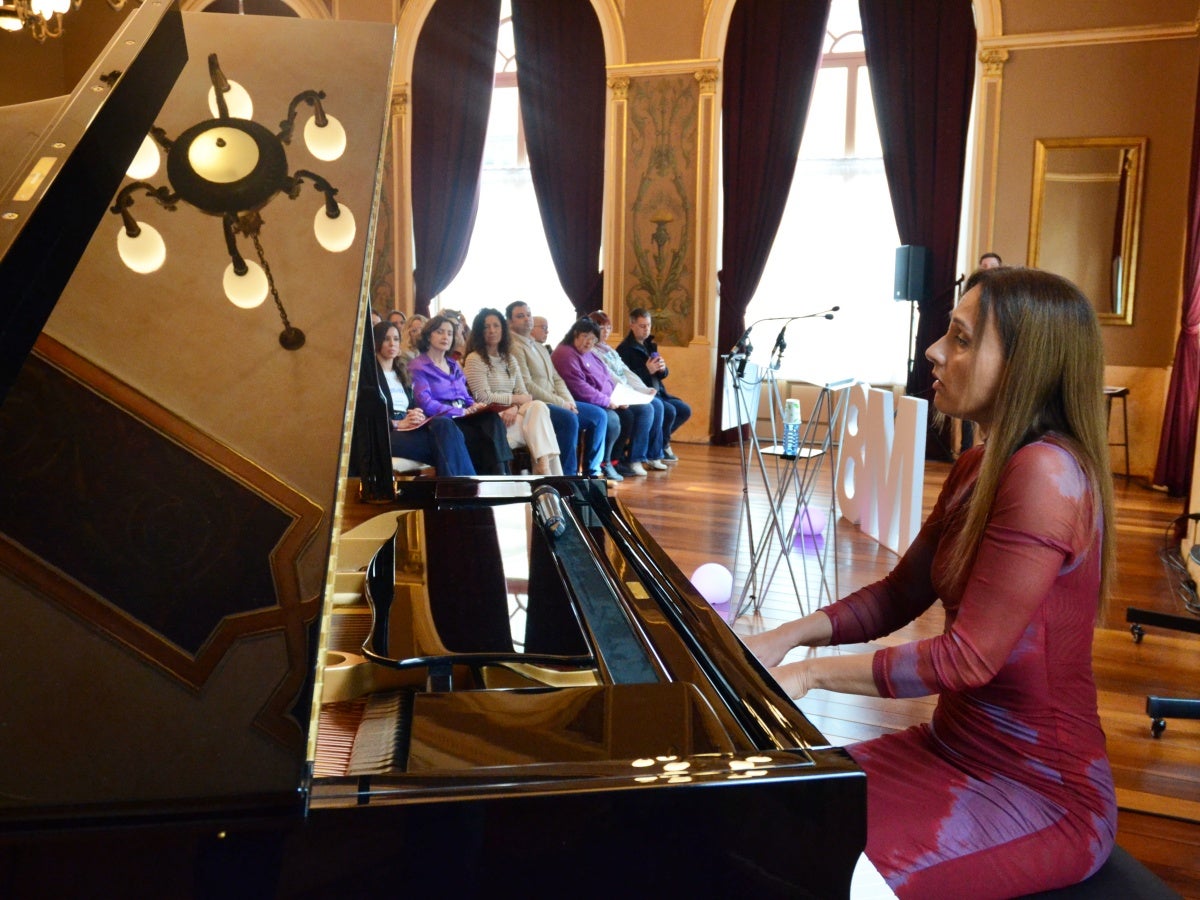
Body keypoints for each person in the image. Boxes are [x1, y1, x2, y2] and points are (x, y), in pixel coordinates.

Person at [743, 267, 1117, 898]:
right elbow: (897, 596)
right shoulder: (978, 464)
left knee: (818, 875)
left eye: (962, 338)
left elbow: (967, 659)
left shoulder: (1047, 476)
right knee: (760, 818)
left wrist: (810, 673)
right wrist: (781, 637)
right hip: (946, 749)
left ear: (1025, 363)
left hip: (1034, 789)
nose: (934, 351)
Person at [408, 315, 513, 475]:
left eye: (450, 333)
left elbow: (465, 396)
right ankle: (497, 478)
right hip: (443, 421)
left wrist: (474, 406)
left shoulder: (453, 364)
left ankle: (502, 474)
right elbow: (426, 404)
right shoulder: (418, 366)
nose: (446, 337)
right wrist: (461, 411)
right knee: (482, 437)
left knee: (491, 419)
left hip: (464, 416)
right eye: (440, 332)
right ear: (429, 336)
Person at [464, 308, 563, 476]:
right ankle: (548, 476)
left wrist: (514, 407)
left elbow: (525, 395)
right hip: (492, 421)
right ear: (479, 331)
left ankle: (542, 465)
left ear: (503, 329)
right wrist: (515, 401)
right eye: (486, 326)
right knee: (542, 430)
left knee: (538, 407)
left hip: (514, 415)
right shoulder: (474, 358)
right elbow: (484, 397)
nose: (492, 330)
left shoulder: (509, 358)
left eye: (496, 325)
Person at [552, 318, 655, 480]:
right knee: (612, 418)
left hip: (607, 398)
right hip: (584, 401)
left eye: (593, 339)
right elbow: (579, 388)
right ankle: (599, 466)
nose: (588, 342)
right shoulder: (565, 353)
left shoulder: (590, 353)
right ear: (575, 334)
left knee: (636, 412)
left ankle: (616, 460)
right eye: (585, 336)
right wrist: (608, 401)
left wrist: (620, 396)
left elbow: (607, 376)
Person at [506, 300, 599, 478]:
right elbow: (527, 385)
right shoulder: (514, 347)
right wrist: (562, 403)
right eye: (520, 316)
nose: (527, 319)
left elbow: (556, 378)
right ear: (510, 322)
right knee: (568, 419)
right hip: (537, 404)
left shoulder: (539, 346)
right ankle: (567, 476)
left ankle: (592, 471)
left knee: (598, 416)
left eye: (528, 314)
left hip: (557, 400)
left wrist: (569, 401)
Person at [372, 320, 476, 476]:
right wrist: (397, 422)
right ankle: (466, 492)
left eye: (396, 339)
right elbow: (367, 416)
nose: (392, 343)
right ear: (376, 341)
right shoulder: (369, 376)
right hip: (387, 433)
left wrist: (416, 414)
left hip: (410, 427)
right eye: (387, 339)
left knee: (444, 424)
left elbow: (413, 405)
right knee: (448, 446)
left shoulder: (401, 373)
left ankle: (459, 492)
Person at [586, 310, 668, 471]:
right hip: (614, 393)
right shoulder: (592, 351)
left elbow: (626, 372)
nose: (606, 331)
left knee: (657, 405)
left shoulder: (608, 349)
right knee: (646, 409)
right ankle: (633, 459)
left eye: (608, 328)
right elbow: (610, 377)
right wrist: (633, 393)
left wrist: (643, 389)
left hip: (626, 391)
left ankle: (647, 454)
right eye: (601, 328)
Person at [617, 308, 690, 461]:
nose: (646, 330)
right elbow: (626, 379)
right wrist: (646, 370)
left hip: (659, 391)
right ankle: (654, 451)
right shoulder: (624, 349)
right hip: (641, 393)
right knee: (669, 411)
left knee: (684, 410)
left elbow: (661, 374)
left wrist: (663, 369)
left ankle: (662, 443)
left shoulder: (650, 345)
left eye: (648, 325)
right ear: (632, 325)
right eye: (642, 326)